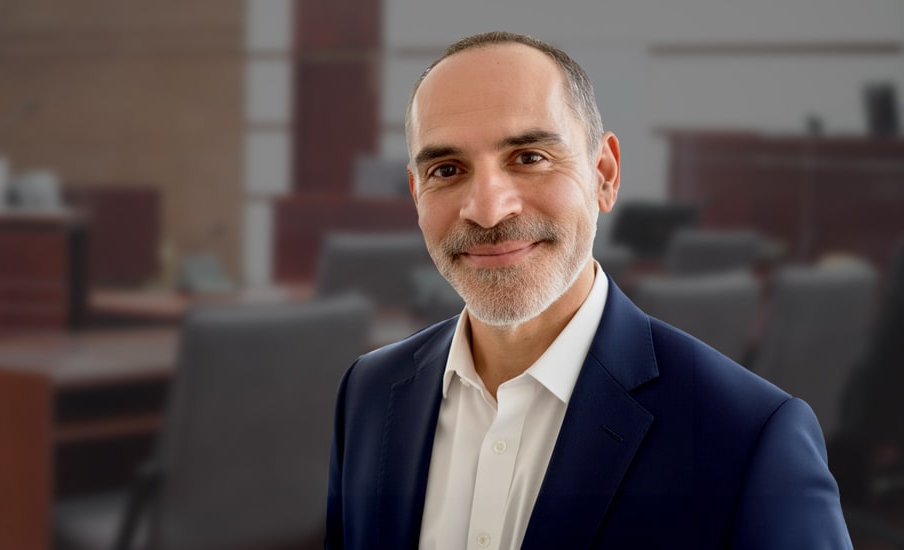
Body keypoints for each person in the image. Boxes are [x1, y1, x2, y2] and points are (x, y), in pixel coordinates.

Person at [325, 32, 851, 549]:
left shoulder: (749, 436)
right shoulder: (368, 392)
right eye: (446, 169)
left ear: (604, 174)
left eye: (529, 157)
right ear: (417, 194)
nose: (487, 209)